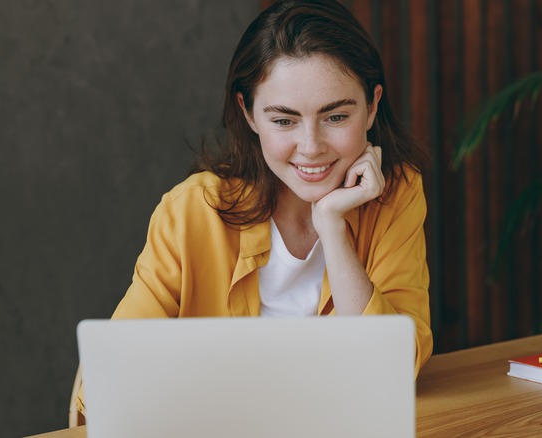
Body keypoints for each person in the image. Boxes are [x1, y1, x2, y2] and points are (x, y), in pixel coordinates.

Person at [75, 0, 433, 420]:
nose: (311, 146)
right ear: (248, 113)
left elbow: (391, 367)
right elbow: (110, 374)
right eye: (284, 121)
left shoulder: (397, 194)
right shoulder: (192, 210)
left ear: (372, 106)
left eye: (335, 116)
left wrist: (333, 227)